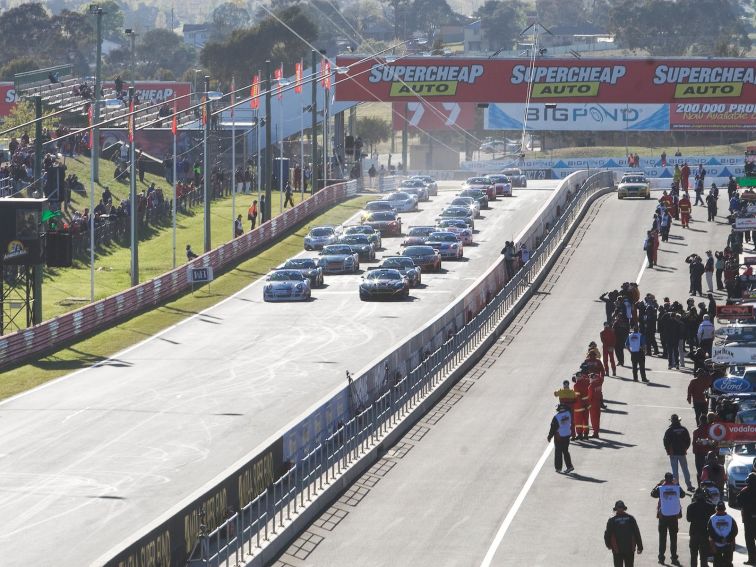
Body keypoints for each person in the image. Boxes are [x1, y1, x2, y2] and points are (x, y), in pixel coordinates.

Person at [652, 472, 686, 566]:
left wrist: (658, 484)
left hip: (663, 516)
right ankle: (674, 558)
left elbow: (652, 494)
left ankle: (661, 558)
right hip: (674, 516)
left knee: (662, 538)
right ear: (672, 479)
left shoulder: (661, 488)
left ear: (665, 479)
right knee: (673, 538)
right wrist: (677, 484)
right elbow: (683, 495)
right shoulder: (677, 487)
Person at [605, 500, 643, 566]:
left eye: (620, 507)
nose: (620, 509)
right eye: (619, 507)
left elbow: (607, 534)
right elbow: (637, 533)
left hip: (621, 549)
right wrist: (640, 547)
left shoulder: (612, 520)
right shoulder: (630, 518)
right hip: (624, 549)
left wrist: (608, 545)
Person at [664, 414, 695, 491]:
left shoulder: (669, 430)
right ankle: (689, 485)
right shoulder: (684, 429)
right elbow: (688, 440)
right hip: (682, 452)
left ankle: (676, 485)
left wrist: (668, 451)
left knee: (675, 470)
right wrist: (685, 448)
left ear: (671, 421)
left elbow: (665, 441)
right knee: (685, 469)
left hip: (673, 453)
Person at [687, 488, 715, 567]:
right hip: (705, 533)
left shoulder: (691, 506)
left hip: (694, 533)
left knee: (693, 555)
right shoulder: (710, 506)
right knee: (704, 555)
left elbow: (688, 519)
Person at [708, 501, 738, 567]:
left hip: (722, 544)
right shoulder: (730, 518)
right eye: (719, 509)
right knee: (721, 563)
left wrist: (723, 539)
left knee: (724, 563)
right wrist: (725, 539)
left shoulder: (712, 518)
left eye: (721, 509)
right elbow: (734, 531)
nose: (720, 511)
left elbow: (735, 531)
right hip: (721, 544)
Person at [547, 403, 574, 473]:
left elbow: (553, 428)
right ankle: (569, 466)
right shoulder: (569, 413)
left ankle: (558, 468)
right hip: (567, 435)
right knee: (565, 451)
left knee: (558, 452)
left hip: (559, 436)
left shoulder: (556, 417)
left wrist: (549, 437)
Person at [736, 473, 756, 565]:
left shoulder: (744, 491)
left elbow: (738, 503)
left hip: (748, 520)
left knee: (750, 541)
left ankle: (752, 559)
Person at [572, 371, 590, 440]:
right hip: (587, 404)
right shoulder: (586, 381)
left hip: (579, 406)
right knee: (585, 420)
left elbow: (578, 397)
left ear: (577, 377)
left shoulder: (576, 385)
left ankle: (579, 434)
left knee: (578, 421)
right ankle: (586, 434)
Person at [588, 372, 603, 438]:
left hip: (593, 404)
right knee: (598, 418)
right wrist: (596, 375)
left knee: (594, 419)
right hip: (598, 403)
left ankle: (595, 433)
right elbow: (601, 378)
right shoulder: (599, 383)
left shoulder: (591, 386)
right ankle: (596, 432)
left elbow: (589, 397)